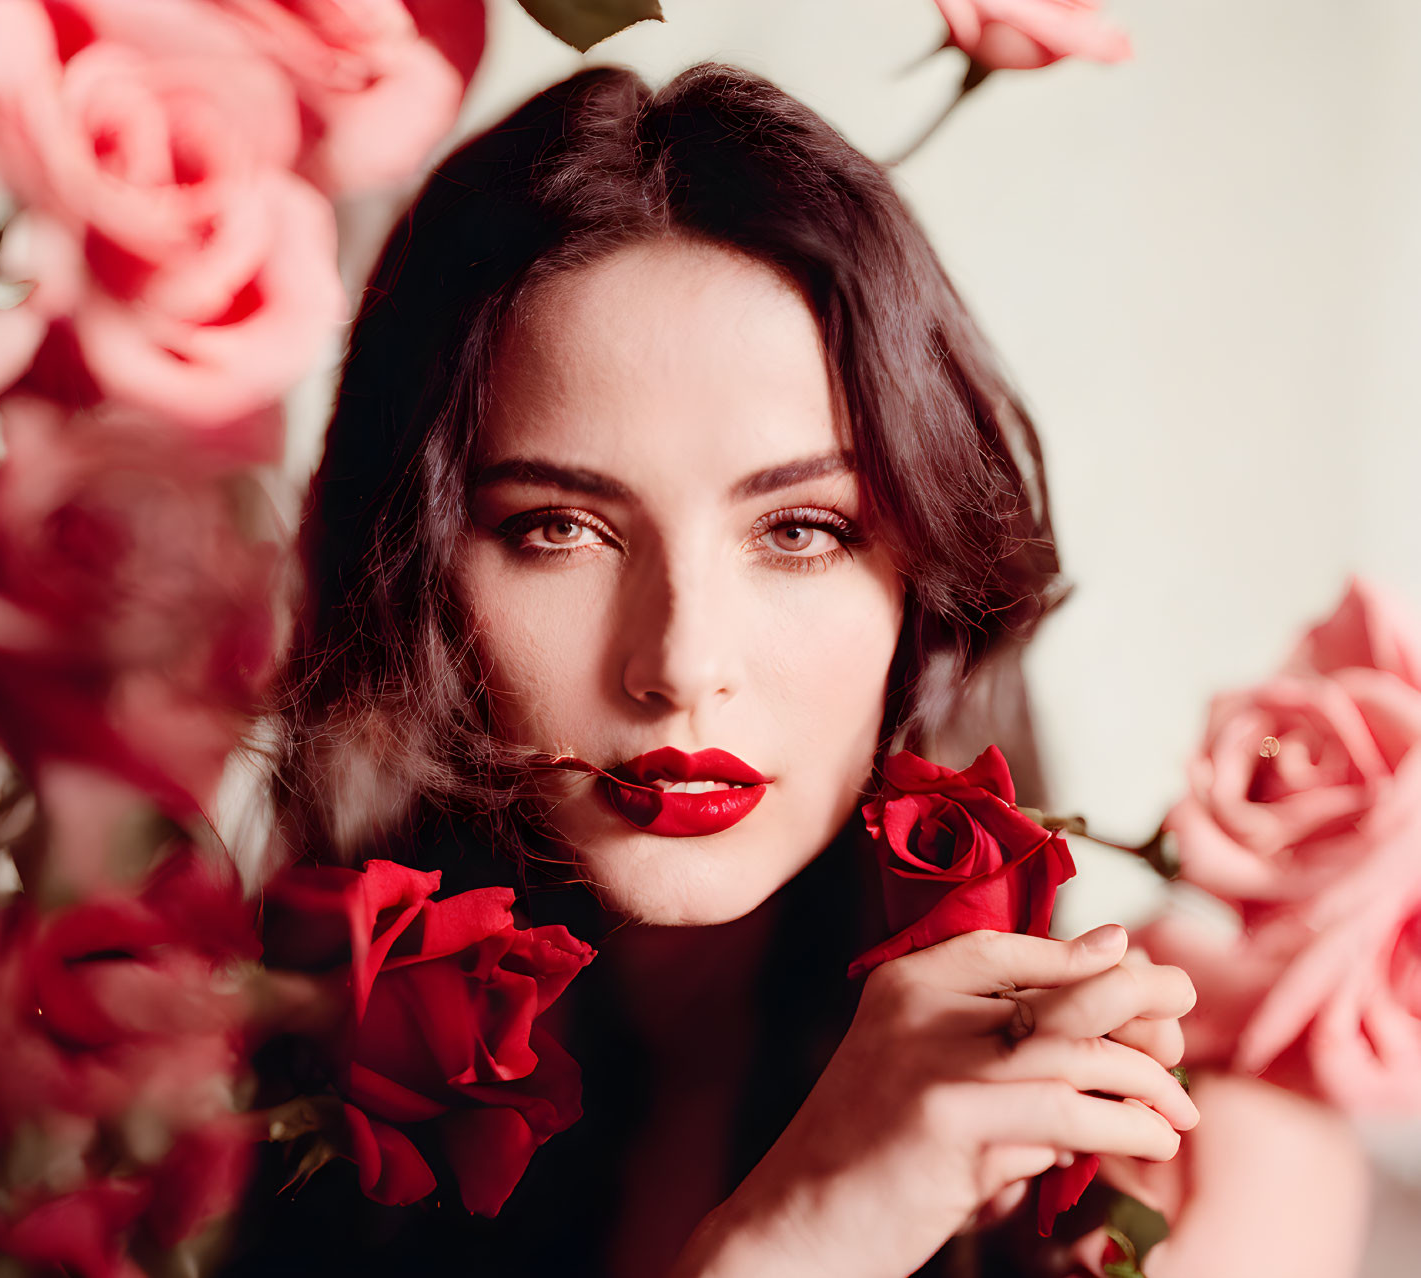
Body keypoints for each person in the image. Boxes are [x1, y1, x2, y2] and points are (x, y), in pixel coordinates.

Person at [237, 63, 1200, 1278]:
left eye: (799, 531)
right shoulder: (255, 1095)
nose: (679, 666)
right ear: (417, 574)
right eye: (557, 529)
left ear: (923, 582)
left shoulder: (1180, 1161)